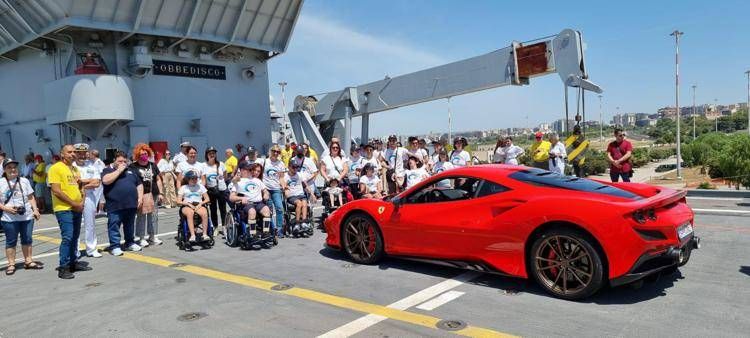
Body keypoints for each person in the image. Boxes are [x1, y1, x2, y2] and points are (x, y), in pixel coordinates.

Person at [48, 145, 90, 279]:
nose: (73, 154)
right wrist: (74, 204)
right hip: (64, 209)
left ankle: (73, 262)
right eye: (69, 152)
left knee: (75, 236)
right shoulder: (55, 168)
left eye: (74, 152)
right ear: (62, 154)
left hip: (77, 207)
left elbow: (80, 187)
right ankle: (64, 267)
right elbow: (56, 190)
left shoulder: (75, 169)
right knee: (68, 237)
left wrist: (82, 202)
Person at [0, 158, 43, 275]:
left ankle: (28, 261)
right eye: (9, 167)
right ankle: (11, 264)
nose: (12, 169)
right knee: (11, 241)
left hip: (27, 216)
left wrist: (35, 210)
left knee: (27, 239)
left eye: (14, 167)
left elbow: (30, 197)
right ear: (4, 170)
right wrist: (6, 208)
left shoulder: (24, 181)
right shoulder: (1, 182)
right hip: (9, 218)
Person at [101, 151, 143, 257]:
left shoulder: (131, 171)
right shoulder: (107, 170)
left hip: (130, 204)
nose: (123, 163)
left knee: (129, 225)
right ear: (114, 160)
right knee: (114, 225)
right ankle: (115, 246)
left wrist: (140, 198)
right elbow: (106, 181)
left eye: (125, 161)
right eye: (120, 161)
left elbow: (139, 184)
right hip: (115, 205)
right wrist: (119, 170)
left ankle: (130, 243)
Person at [72, 144, 103, 258]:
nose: (82, 155)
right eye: (79, 152)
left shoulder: (92, 165)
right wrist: (89, 181)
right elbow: (73, 183)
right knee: (75, 225)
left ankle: (91, 249)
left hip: (89, 196)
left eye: (84, 153)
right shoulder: (71, 166)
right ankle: (75, 250)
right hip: (75, 197)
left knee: (90, 224)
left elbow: (97, 182)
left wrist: (82, 183)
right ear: (75, 153)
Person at [130, 144, 163, 247]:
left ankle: (152, 236)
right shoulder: (133, 166)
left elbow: (158, 179)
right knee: (141, 216)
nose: (144, 155)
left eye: (145, 153)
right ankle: (141, 238)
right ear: (137, 155)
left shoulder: (153, 165)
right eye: (141, 154)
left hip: (153, 194)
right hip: (141, 195)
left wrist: (161, 193)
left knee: (153, 216)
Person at [229, 162, 272, 232]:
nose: (251, 171)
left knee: (266, 209)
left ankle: (266, 232)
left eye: (251, 169)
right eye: (248, 169)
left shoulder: (257, 180)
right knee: (252, 212)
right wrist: (241, 198)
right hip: (248, 204)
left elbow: (265, 190)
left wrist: (266, 194)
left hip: (259, 203)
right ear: (242, 170)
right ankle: (252, 233)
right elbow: (231, 197)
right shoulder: (238, 182)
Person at [177, 170, 210, 242]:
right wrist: (188, 204)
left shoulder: (200, 187)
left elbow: (207, 199)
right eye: (192, 178)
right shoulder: (183, 188)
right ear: (188, 179)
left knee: (204, 213)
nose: (195, 180)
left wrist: (200, 204)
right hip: (187, 205)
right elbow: (178, 201)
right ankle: (192, 235)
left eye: (196, 178)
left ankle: (204, 234)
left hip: (198, 204)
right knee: (190, 213)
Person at [262, 145, 287, 237]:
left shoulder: (280, 164)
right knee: (269, 210)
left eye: (278, 152)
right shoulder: (264, 162)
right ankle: (271, 228)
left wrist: (284, 187)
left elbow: (281, 178)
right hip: (266, 189)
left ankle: (279, 228)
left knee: (280, 208)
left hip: (276, 189)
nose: (276, 153)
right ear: (270, 151)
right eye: (274, 151)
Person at [204, 147, 228, 234]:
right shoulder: (204, 165)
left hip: (221, 190)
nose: (212, 154)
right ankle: (215, 227)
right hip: (211, 191)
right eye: (210, 153)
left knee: (223, 209)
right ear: (207, 155)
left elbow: (225, 176)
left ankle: (224, 227)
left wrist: (221, 183)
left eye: (213, 153)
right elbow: (203, 179)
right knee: (213, 210)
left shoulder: (221, 164)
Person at [283, 162, 311, 231]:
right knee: (299, 203)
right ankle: (297, 223)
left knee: (305, 203)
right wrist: (285, 188)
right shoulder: (285, 176)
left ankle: (304, 222)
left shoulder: (299, 174)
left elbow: (306, 184)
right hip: (292, 196)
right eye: (293, 167)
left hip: (301, 194)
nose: (295, 169)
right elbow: (283, 185)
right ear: (289, 167)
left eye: (296, 167)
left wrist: (312, 194)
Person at [89, 149, 106, 215]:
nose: (89, 156)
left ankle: (94, 211)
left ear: (94, 155)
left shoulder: (99, 163)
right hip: (96, 182)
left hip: (99, 182)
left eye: (90, 154)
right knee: (99, 197)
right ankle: (98, 210)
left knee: (96, 196)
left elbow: (101, 172)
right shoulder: (95, 162)